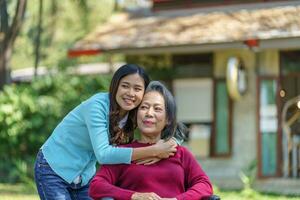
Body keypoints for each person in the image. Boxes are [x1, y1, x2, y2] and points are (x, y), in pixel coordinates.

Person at [34, 64, 177, 200]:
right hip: (54, 169)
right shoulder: (96, 106)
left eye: (137, 88)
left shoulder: (135, 112)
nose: (130, 93)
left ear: (143, 93)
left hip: (83, 176)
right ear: (115, 86)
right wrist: (154, 151)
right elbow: (103, 154)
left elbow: (173, 128)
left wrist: (167, 146)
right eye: (125, 86)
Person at [89, 81, 213, 200]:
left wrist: (176, 199)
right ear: (136, 115)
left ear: (168, 119)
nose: (149, 113)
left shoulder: (180, 153)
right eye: (144, 107)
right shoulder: (123, 153)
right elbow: (96, 186)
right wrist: (134, 196)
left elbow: (204, 185)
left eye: (157, 109)